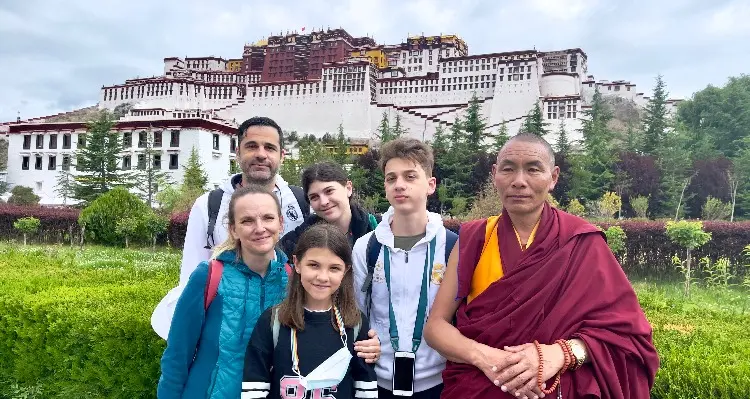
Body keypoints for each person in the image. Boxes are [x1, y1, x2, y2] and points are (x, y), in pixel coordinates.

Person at [423, 133, 659, 399]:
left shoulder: (581, 241)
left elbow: (627, 337)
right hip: (483, 384)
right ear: (494, 174)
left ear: (553, 177)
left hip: (557, 387)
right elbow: (436, 327)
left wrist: (560, 354)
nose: (519, 181)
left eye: (533, 169)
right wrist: (491, 361)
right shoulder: (475, 237)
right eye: (508, 169)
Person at [157, 186, 380, 399]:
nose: (259, 227)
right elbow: (177, 355)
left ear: (281, 224)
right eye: (247, 221)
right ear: (233, 229)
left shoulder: (294, 279)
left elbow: (324, 330)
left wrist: (365, 345)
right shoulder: (208, 276)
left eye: (268, 218)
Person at [152, 116, 310, 339]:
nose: (261, 154)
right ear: (237, 152)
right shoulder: (208, 205)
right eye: (252, 146)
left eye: (270, 148)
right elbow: (191, 277)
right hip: (226, 333)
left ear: (281, 156)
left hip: (289, 328)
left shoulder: (303, 202)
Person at [352, 138, 457, 399]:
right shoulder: (367, 247)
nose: (399, 185)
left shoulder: (453, 246)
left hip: (439, 383)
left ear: (430, 185)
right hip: (378, 382)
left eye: (410, 176)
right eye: (391, 178)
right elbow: (357, 312)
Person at [243, 224, 378, 399]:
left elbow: (365, 389)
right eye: (314, 265)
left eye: (334, 268)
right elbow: (254, 387)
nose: (322, 277)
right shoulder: (273, 321)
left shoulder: (356, 324)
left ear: (346, 271)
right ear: (297, 264)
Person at [280, 161, 380, 260]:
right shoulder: (296, 241)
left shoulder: (380, 228)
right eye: (314, 197)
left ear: (348, 188)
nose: (323, 202)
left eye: (329, 191)